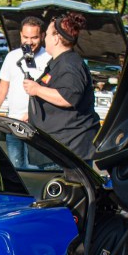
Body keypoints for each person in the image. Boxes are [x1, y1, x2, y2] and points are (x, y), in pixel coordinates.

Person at [23, 12, 100, 161]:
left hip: (70, 149)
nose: (45, 38)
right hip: (58, 145)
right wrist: (32, 114)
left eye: (47, 35)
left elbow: (68, 98)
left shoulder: (69, 64)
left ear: (56, 38)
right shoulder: (60, 62)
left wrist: (37, 89)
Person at [0, 15, 51, 167]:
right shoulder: (12, 57)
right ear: (20, 35)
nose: (29, 42)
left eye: (34, 37)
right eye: (26, 37)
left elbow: (51, 93)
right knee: (15, 167)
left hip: (37, 126)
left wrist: (32, 114)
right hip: (13, 124)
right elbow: (3, 87)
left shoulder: (49, 58)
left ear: (42, 36)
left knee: (36, 169)